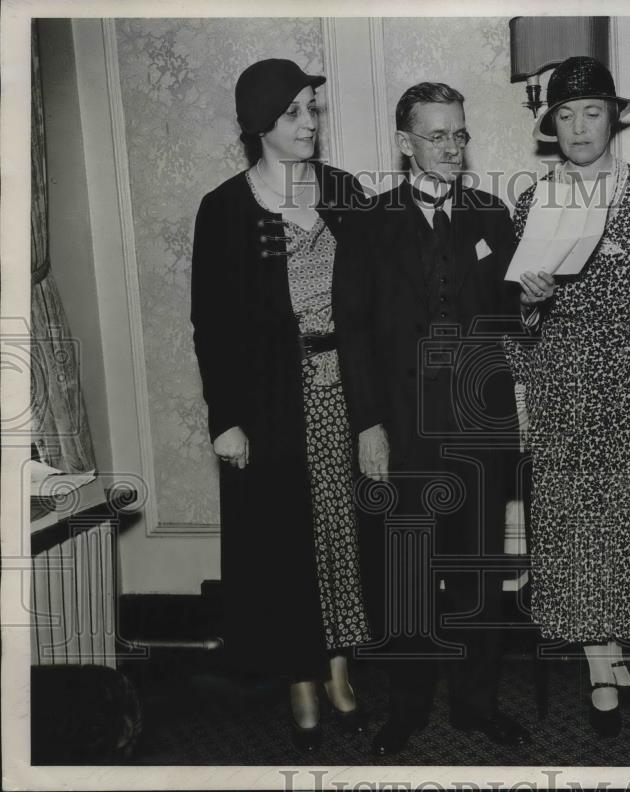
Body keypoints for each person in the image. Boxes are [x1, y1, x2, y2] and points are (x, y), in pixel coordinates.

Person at [333, 82, 530, 758]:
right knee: (406, 572)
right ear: (405, 142)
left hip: (480, 422)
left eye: (460, 134)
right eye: (438, 135)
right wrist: (368, 426)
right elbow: (352, 331)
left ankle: (478, 705)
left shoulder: (492, 215)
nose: (452, 147)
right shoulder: (367, 221)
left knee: (477, 571)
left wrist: (533, 299)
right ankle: (407, 708)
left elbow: (511, 321)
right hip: (402, 425)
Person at [504, 56, 630, 738]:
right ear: (550, 124)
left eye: (592, 112)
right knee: (573, 532)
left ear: (613, 118)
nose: (579, 126)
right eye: (566, 114)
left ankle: (611, 651)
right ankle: (600, 670)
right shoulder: (534, 200)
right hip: (561, 387)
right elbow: (513, 318)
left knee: (627, 529)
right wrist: (528, 311)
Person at [190, 58, 370, 753]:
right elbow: (213, 324)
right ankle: (300, 675)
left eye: (313, 110)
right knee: (283, 544)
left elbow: (379, 291)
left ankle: (338, 665)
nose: (308, 124)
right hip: (269, 405)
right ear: (260, 122)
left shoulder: (345, 193)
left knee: (342, 539)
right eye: (293, 112)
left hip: (344, 396)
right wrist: (225, 418)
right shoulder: (228, 208)